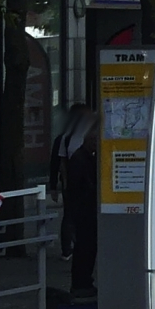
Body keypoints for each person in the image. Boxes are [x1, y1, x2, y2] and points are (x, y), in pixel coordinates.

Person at [53, 108, 98, 295]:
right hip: (84, 209)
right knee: (84, 246)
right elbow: (76, 183)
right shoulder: (80, 156)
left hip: (84, 207)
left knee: (86, 247)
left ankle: (83, 281)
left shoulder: (84, 156)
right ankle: (81, 282)